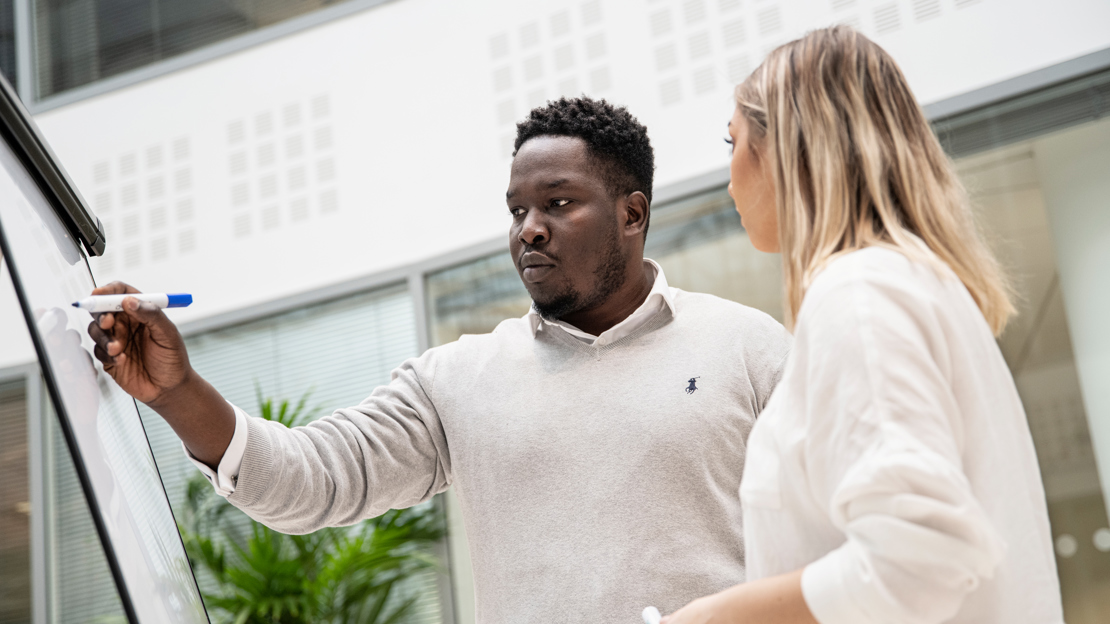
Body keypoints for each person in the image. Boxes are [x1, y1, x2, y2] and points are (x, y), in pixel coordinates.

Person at [87, 97, 793, 622]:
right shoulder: (458, 381)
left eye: (558, 202)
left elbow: (833, 544)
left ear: (632, 214)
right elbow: (310, 479)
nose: (530, 231)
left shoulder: (749, 347)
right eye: (516, 211)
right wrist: (176, 394)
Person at [662, 26, 1063, 624]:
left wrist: (710, 617)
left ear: (787, 149)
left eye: (733, 143)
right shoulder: (911, 287)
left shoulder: (859, 296)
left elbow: (917, 564)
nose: (728, 178)